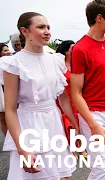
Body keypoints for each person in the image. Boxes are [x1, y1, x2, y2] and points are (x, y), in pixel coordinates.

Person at [0, 12, 78, 180]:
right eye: (41, 27)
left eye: (48, 27)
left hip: (54, 122)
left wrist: (76, 127)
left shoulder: (55, 60)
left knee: (63, 175)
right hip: (30, 125)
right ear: (25, 31)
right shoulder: (13, 63)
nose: (47, 31)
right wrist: (23, 149)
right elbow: (10, 110)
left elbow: (63, 100)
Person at [70, 1, 105, 179]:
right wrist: (92, 124)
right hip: (92, 113)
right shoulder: (80, 49)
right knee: (100, 167)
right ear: (99, 18)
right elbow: (75, 92)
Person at [56, 40, 88, 159]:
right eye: (72, 48)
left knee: (78, 123)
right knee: (67, 125)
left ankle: (81, 147)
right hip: (63, 98)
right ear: (66, 51)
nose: (75, 50)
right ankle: (71, 149)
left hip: (78, 98)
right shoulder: (59, 65)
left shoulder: (78, 63)